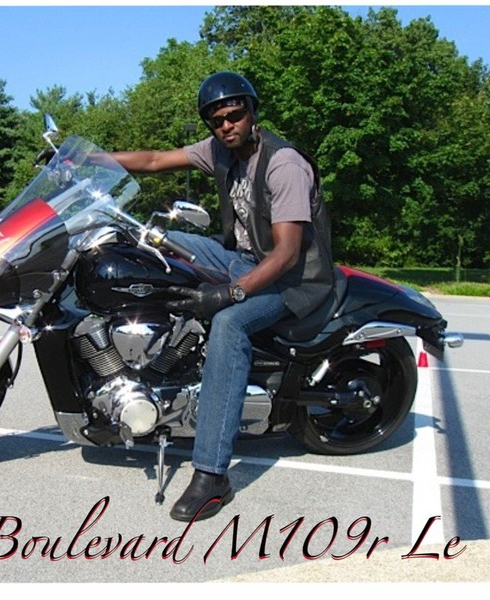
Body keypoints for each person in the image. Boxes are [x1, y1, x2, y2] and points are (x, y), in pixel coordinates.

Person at [110, 71, 335, 522]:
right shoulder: (220, 150)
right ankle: (159, 362)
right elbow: (153, 159)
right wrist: (81, 161)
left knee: (230, 324)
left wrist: (227, 295)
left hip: (294, 281)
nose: (227, 125)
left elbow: (287, 253)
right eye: (217, 121)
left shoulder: (283, 164)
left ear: (251, 112)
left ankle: (212, 475)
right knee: (155, 244)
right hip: (244, 260)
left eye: (235, 115)